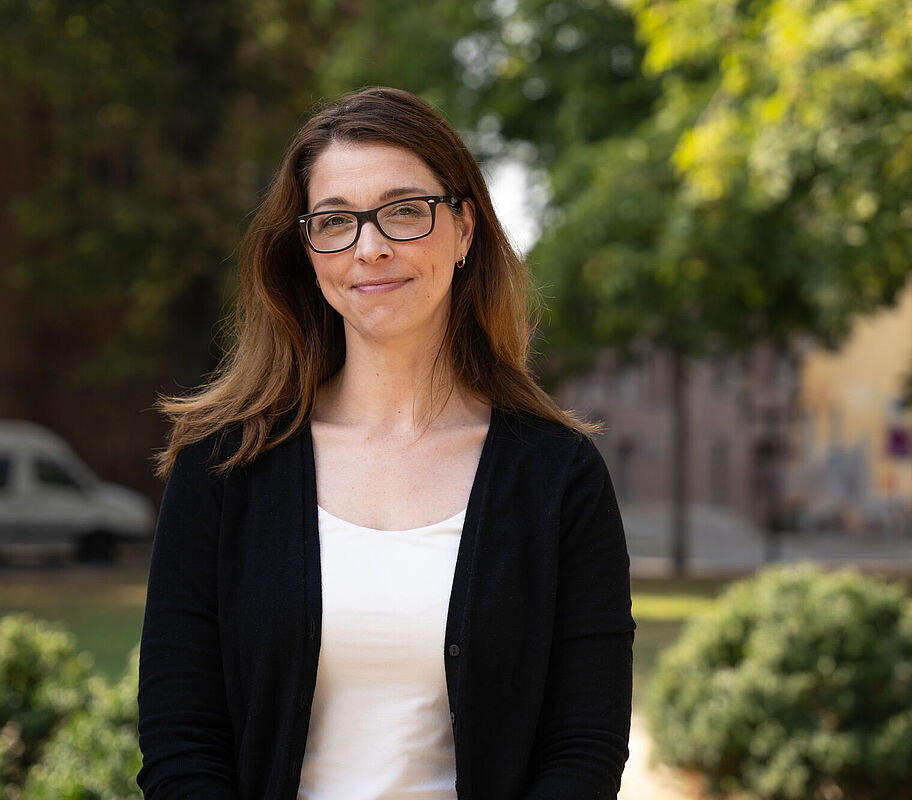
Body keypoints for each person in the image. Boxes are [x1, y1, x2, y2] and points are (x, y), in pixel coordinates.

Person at [137, 87, 635, 800]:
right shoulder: (222, 466)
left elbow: (583, 748)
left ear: (464, 229)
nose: (370, 248)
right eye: (335, 221)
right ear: (308, 252)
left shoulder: (559, 477)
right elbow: (180, 743)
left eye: (405, 211)